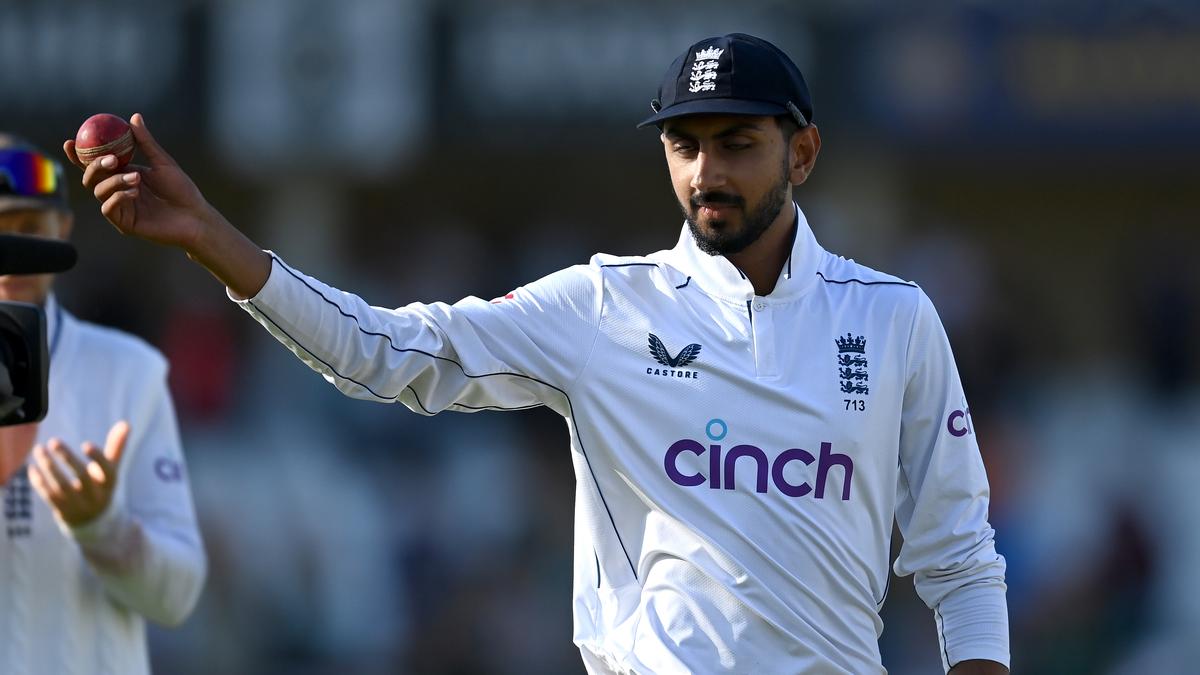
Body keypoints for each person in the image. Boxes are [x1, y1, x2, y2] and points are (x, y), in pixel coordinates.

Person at [68, 33, 1008, 674]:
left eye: (738, 143)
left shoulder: (892, 319)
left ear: (801, 154)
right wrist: (210, 237)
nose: (707, 172)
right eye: (684, 144)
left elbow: (960, 556)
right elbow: (384, 350)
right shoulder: (604, 304)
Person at [0, 135, 206, 675]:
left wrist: (104, 528)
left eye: (27, 228)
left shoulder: (127, 372)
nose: (11, 252)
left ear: (62, 229)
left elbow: (177, 596)